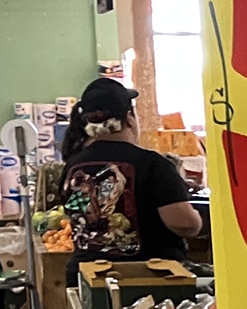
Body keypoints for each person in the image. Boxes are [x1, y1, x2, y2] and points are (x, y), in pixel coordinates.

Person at [59, 77, 202, 264]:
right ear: (129, 118)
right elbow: (184, 224)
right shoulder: (152, 164)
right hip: (144, 275)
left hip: (86, 273)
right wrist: (197, 218)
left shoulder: (72, 165)